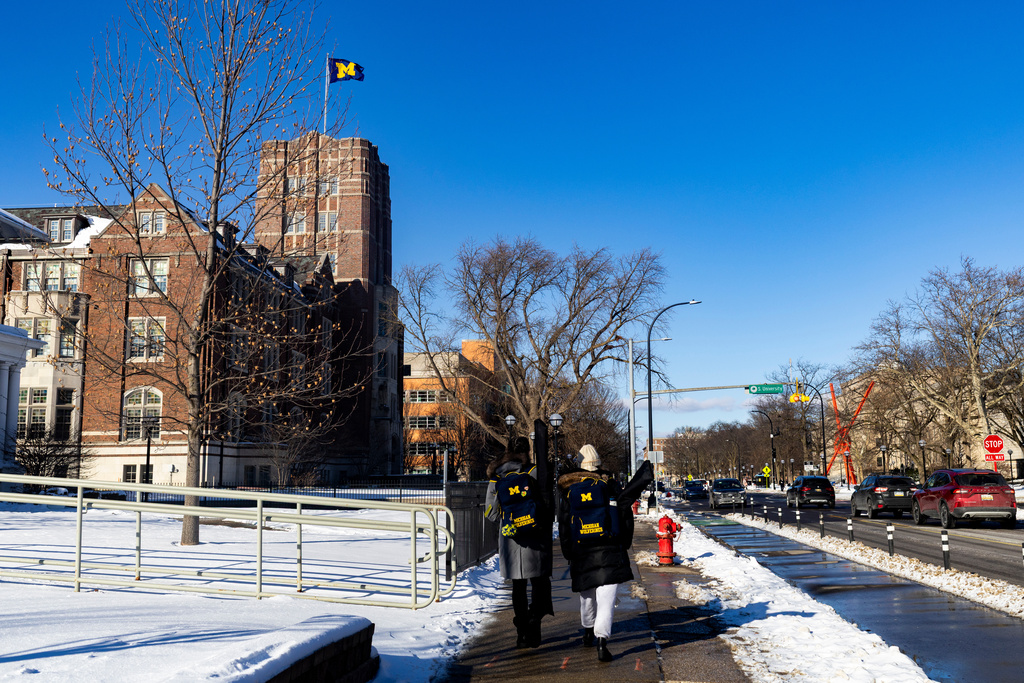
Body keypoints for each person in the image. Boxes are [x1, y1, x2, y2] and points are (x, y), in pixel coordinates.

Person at [557, 444, 653, 662]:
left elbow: (564, 524)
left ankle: (588, 631)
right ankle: (602, 641)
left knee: (587, 595)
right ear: (599, 464)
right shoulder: (609, 484)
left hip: (581, 550)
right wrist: (624, 542)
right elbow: (624, 512)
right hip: (609, 548)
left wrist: (568, 552)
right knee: (607, 597)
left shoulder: (569, 490)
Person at [485, 436, 553, 648]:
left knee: (518, 587)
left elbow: (490, 513)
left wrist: (508, 519)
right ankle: (534, 622)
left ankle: (521, 631)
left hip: (511, 540)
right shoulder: (533, 472)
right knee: (539, 582)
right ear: (527, 452)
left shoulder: (496, 477)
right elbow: (547, 503)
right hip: (535, 538)